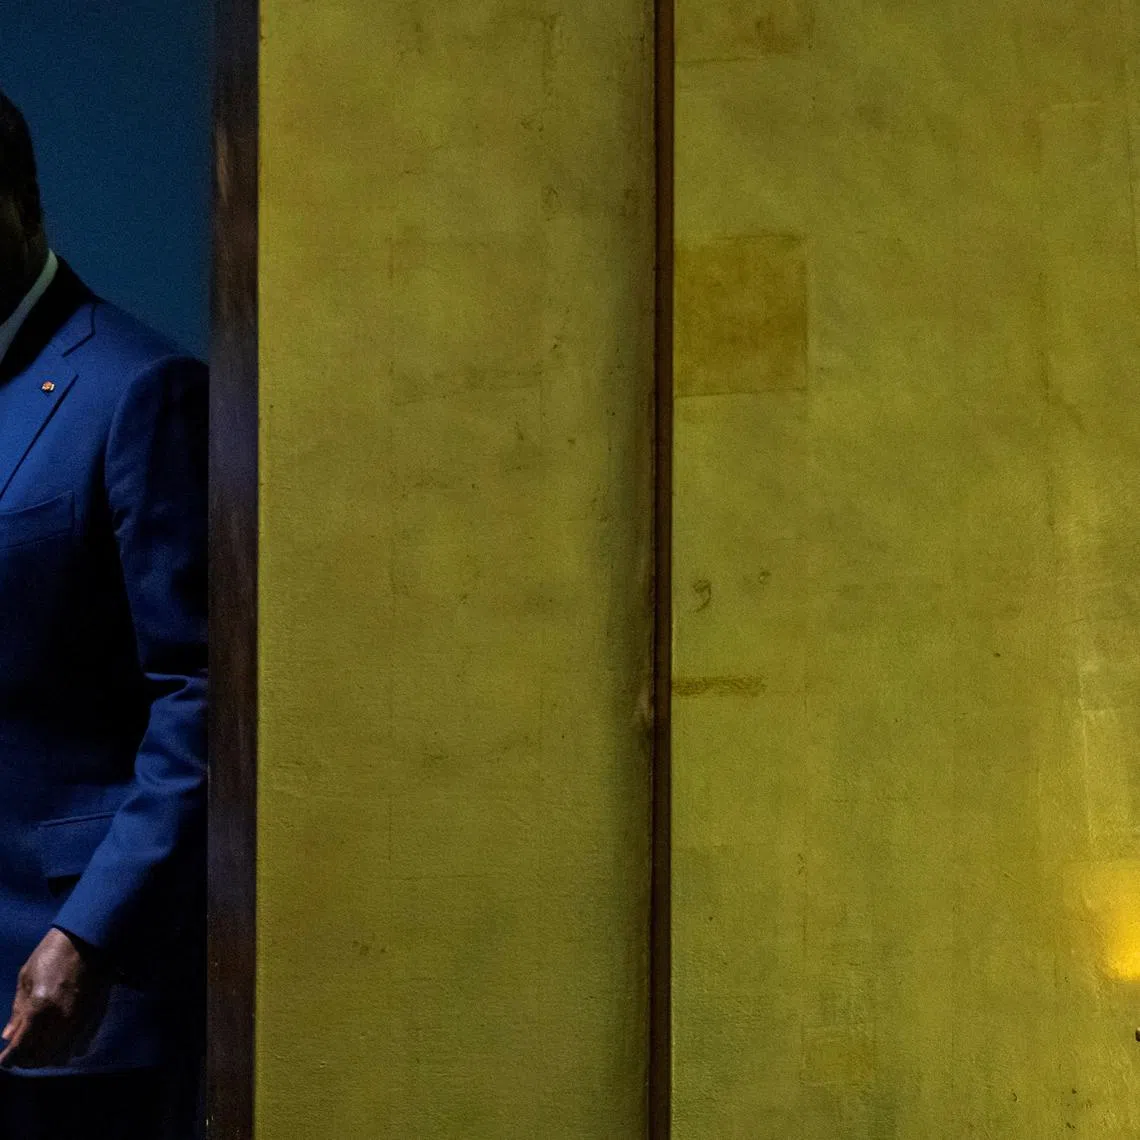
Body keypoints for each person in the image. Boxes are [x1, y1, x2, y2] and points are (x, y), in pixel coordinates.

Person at [0, 90, 207, 1138]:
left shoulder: (138, 388)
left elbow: (200, 696)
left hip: (70, 983)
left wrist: (91, 931)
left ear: (18, 209)